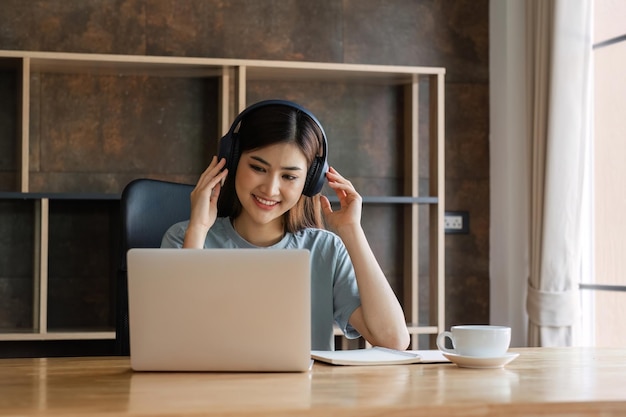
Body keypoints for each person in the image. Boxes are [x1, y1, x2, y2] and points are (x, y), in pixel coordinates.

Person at [161, 99, 409, 351]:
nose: (270, 189)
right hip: (209, 390)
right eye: (258, 168)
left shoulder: (325, 250)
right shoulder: (184, 238)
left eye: (289, 176)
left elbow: (394, 339)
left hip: (305, 391)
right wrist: (199, 229)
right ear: (233, 161)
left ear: (309, 181)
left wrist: (351, 231)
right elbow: (173, 340)